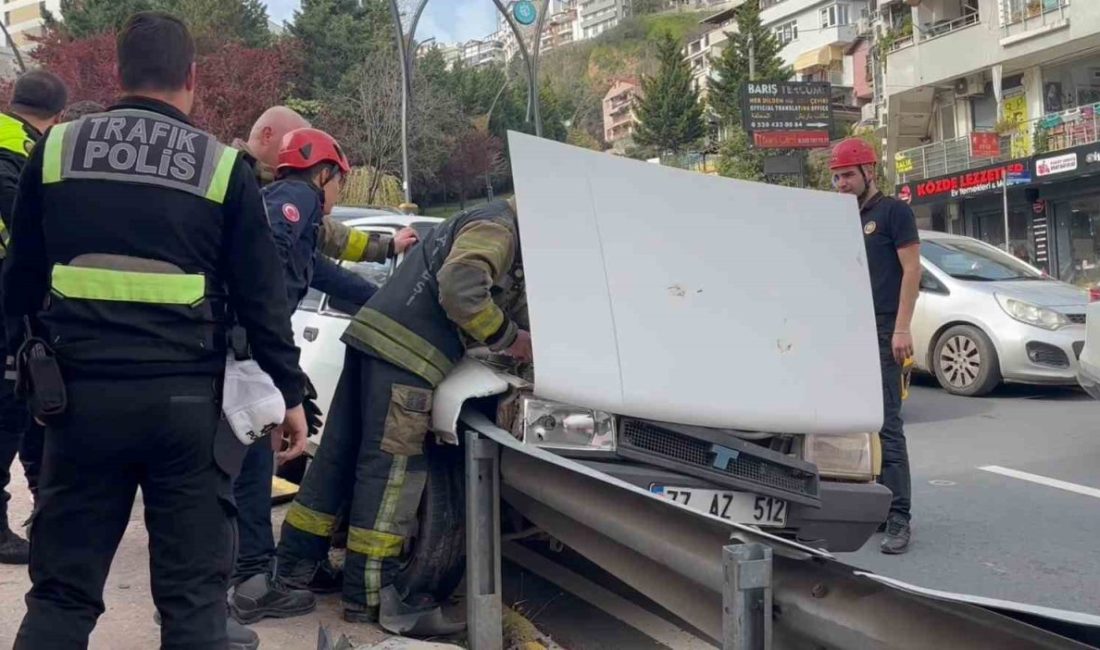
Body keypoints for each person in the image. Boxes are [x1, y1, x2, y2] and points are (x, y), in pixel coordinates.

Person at [4, 12, 308, 650]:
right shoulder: (224, 169)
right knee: (194, 608)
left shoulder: (55, 152)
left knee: (61, 597)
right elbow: (263, 298)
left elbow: (20, 279)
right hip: (186, 413)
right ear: (192, 77)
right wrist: (289, 393)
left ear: (120, 74)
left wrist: (23, 367)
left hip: (77, 404)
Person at [276, 197, 530, 635]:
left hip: (374, 338)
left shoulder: (481, 218)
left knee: (335, 462)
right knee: (391, 473)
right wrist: (510, 338)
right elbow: (461, 285)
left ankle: (297, 566)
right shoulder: (500, 227)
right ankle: (371, 595)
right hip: (408, 356)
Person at [227, 127, 417, 625]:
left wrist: (384, 295)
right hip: (245, 356)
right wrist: (280, 365)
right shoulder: (297, 197)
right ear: (325, 173)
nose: (335, 195)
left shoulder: (292, 208)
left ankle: (247, 576)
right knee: (247, 467)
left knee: (243, 468)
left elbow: (326, 273)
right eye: (338, 183)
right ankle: (247, 583)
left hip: (240, 355)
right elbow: (270, 256)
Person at [830, 138, 920, 555]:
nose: (841, 183)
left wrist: (901, 328)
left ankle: (899, 517)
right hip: (849, 330)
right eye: (836, 176)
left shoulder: (893, 213)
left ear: (869, 172)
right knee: (855, 423)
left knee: (888, 425)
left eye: (848, 174)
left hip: (885, 329)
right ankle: (871, 507)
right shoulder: (838, 219)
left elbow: (911, 271)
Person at [0, 69, 67, 565]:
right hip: (6, 307)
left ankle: (47, 509)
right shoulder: (25, 156)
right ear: (58, 117)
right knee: (9, 416)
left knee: (24, 413)